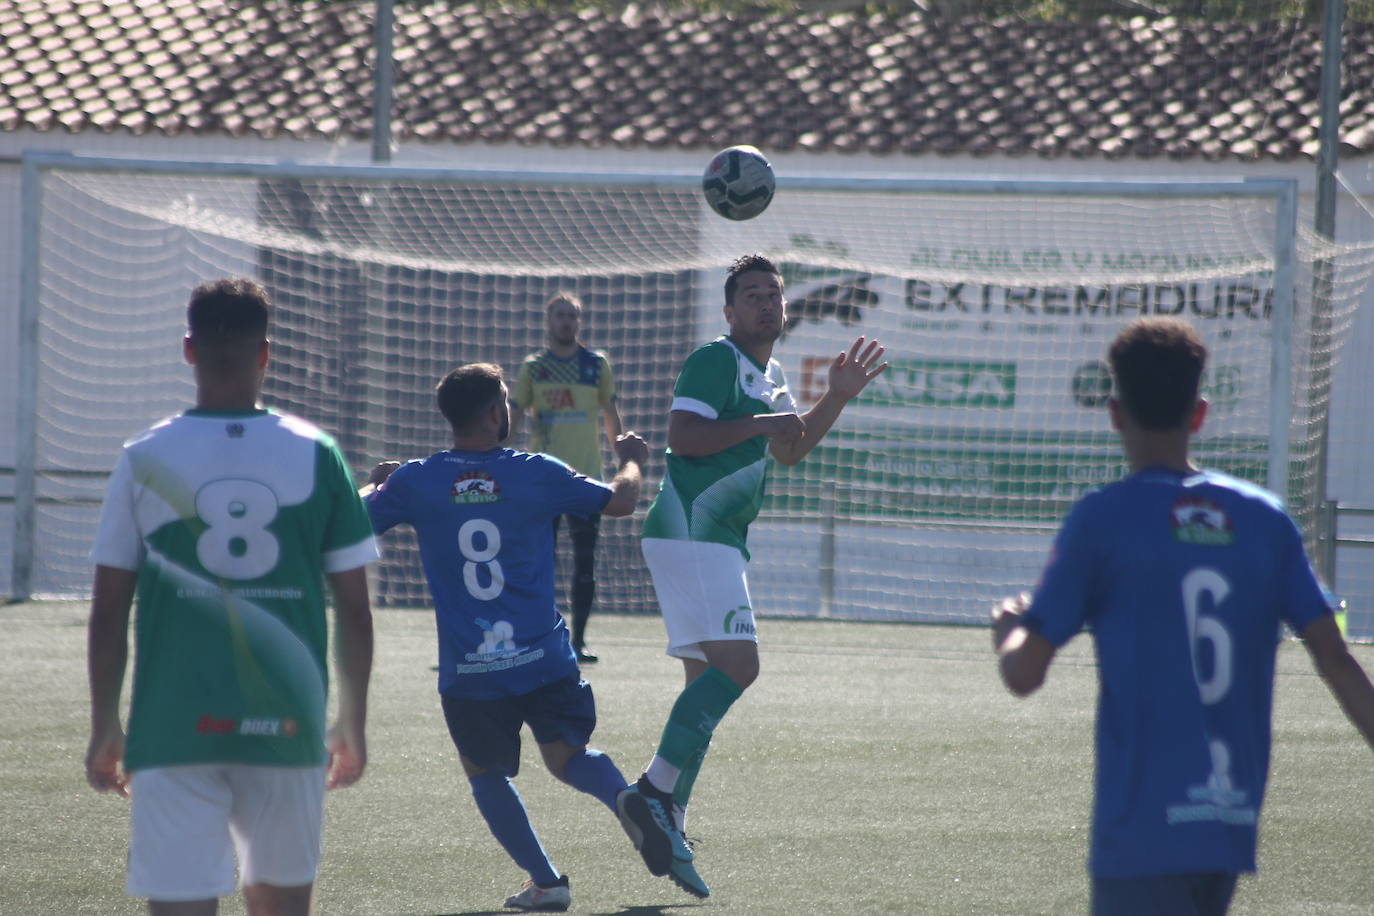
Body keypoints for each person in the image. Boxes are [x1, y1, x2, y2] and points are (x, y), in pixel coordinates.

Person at [991, 316, 1374, 916]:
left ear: (1115, 414)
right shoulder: (1264, 519)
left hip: (1141, 832)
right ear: (1199, 414)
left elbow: (1024, 674)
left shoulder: (1103, 519)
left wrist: (1008, 631)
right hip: (1228, 823)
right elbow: (1337, 658)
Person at [85, 277, 378, 916]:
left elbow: (108, 612)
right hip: (287, 726)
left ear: (188, 349)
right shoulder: (320, 454)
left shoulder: (144, 456)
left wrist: (106, 722)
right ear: (266, 353)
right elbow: (355, 610)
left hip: (172, 728)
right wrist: (351, 719)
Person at [616, 253, 888, 898]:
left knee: (704, 690)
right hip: (692, 529)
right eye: (753, 295)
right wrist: (762, 422)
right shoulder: (716, 358)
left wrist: (836, 396)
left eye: (774, 294)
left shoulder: (772, 374)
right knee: (740, 666)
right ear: (730, 310)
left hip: (713, 540)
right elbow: (684, 437)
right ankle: (651, 792)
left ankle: (672, 823)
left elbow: (789, 449)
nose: (767, 304)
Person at [362, 362, 648, 913]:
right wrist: (632, 460)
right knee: (568, 757)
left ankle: (546, 881)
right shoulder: (535, 470)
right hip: (544, 658)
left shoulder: (417, 480)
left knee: (485, 773)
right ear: (497, 414)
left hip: (472, 672)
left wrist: (378, 483)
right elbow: (621, 501)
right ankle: (624, 796)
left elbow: (343, 519)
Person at [510, 292, 624, 663]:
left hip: (585, 478)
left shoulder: (596, 365)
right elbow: (515, 417)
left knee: (585, 563)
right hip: (542, 480)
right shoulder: (534, 367)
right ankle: (537, 636)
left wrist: (624, 457)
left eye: (572, 315)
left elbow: (610, 415)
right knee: (537, 563)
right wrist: (496, 457)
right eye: (560, 315)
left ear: (580, 321)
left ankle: (579, 641)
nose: (566, 322)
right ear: (549, 321)